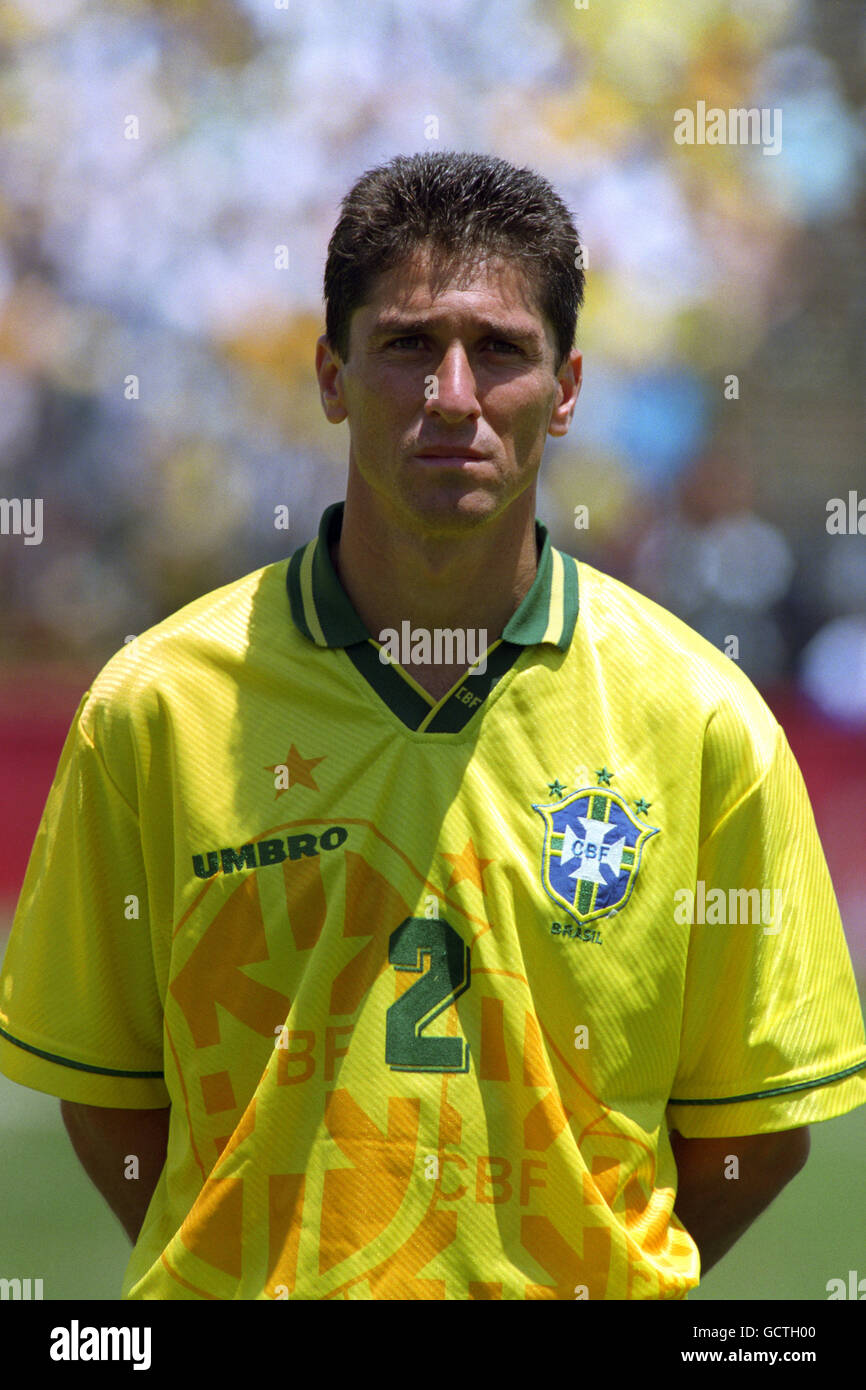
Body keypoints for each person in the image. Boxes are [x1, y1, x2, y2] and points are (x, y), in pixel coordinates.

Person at [1, 151, 864, 1301]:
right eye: (408, 343)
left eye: (498, 349)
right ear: (330, 375)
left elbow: (753, 1134)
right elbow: (106, 1092)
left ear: (564, 391)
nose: (450, 394)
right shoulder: (155, 706)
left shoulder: (704, 719)